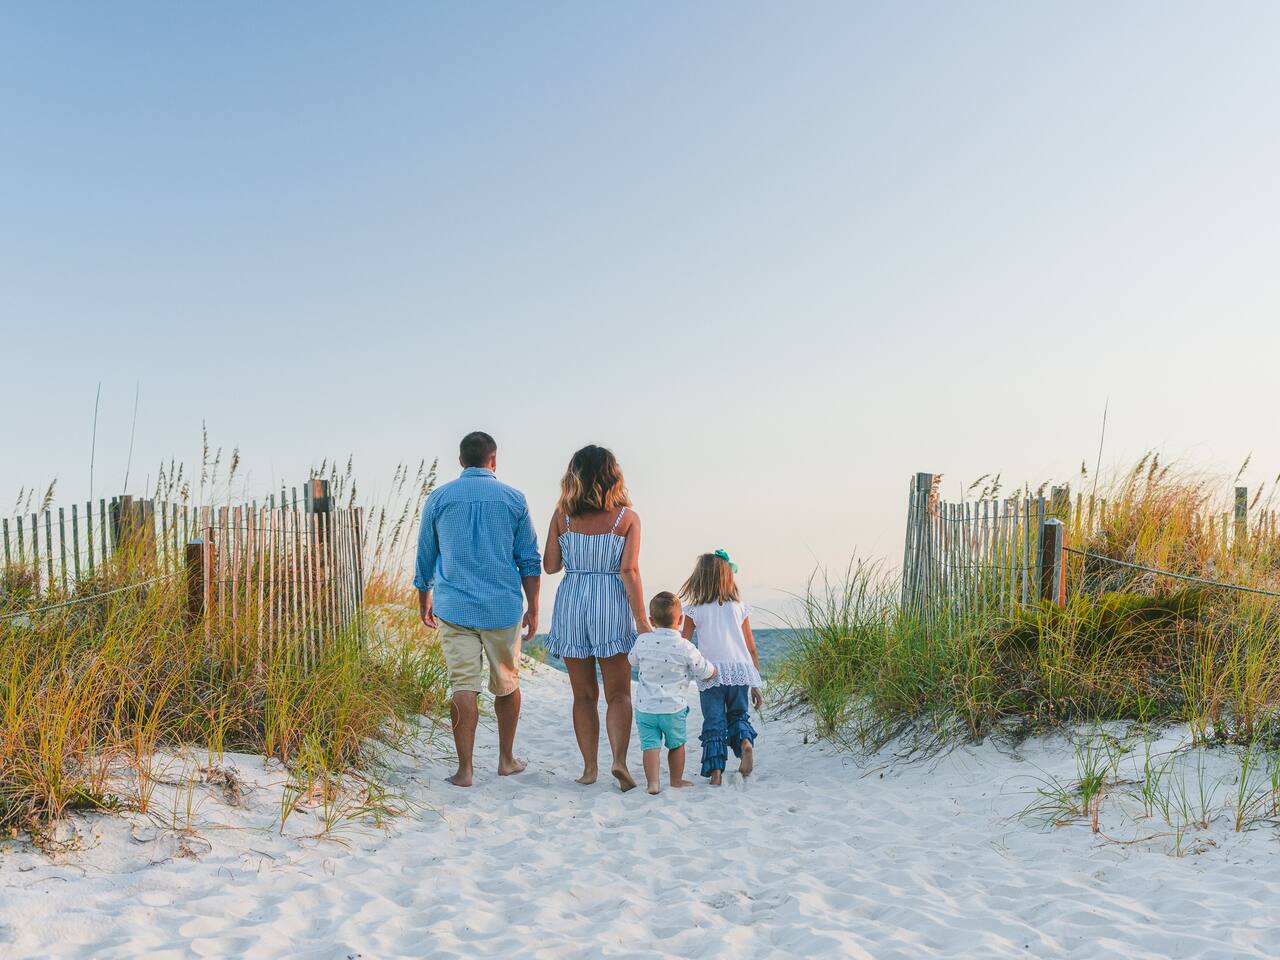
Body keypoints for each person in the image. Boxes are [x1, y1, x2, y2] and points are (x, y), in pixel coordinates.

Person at [414, 431, 541, 788]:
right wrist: (534, 608)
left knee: (462, 687)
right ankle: (506, 759)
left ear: (460, 462)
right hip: (502, 607)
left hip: (454, 607)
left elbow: (425, 555)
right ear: (494, 460)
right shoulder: (514, 500)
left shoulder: (439, 498)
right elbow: (529, 561)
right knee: (507, 683)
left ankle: (465, 770)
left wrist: (424, 598)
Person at [543, 445, 648, 791]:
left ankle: (589, 769)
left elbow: (551, 566)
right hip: (610, 601)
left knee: (583, 695)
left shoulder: (563, 515)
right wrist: (643, 621)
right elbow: (629, 571)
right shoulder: (626, 518)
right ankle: (618, 760)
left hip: (573, 600)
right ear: (613, 475)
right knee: (619, 694)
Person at [679, 550, 763, 785]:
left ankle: (716, 772)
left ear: (699, 579)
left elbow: (684, 646)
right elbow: (752, 648)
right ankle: (745, 742)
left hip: (710, 673)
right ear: (728, 577)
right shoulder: (739, 608)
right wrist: (755, 684)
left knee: (714, 720)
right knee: (738, 714)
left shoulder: (694, 610)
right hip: (739, 671)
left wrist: (682, 677)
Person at [628, 592, 717, 795]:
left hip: (646, 708)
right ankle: (676, 780)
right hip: (673, 708)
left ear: (651, 620)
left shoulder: (643, 641)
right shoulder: (685, 646)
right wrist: (714, 671)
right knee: (676, 745)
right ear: (681, 620)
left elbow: (631, 660)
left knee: (650, 746)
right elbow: (702, 669)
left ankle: (653, 783)